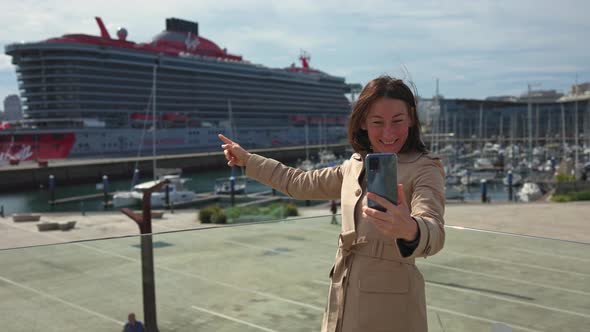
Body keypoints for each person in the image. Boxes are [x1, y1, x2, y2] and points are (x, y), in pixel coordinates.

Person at [219, 75, 445, 332]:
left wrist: (412, 229)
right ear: (362, 123)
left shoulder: (425, 168)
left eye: (397, 121)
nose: (388, 132)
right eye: (377, 122)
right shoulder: (354, 166)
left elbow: (434, 228)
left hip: (392, 311)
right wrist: (248, 160)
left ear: (412, 118)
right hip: (345, 294)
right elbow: (298, 182)